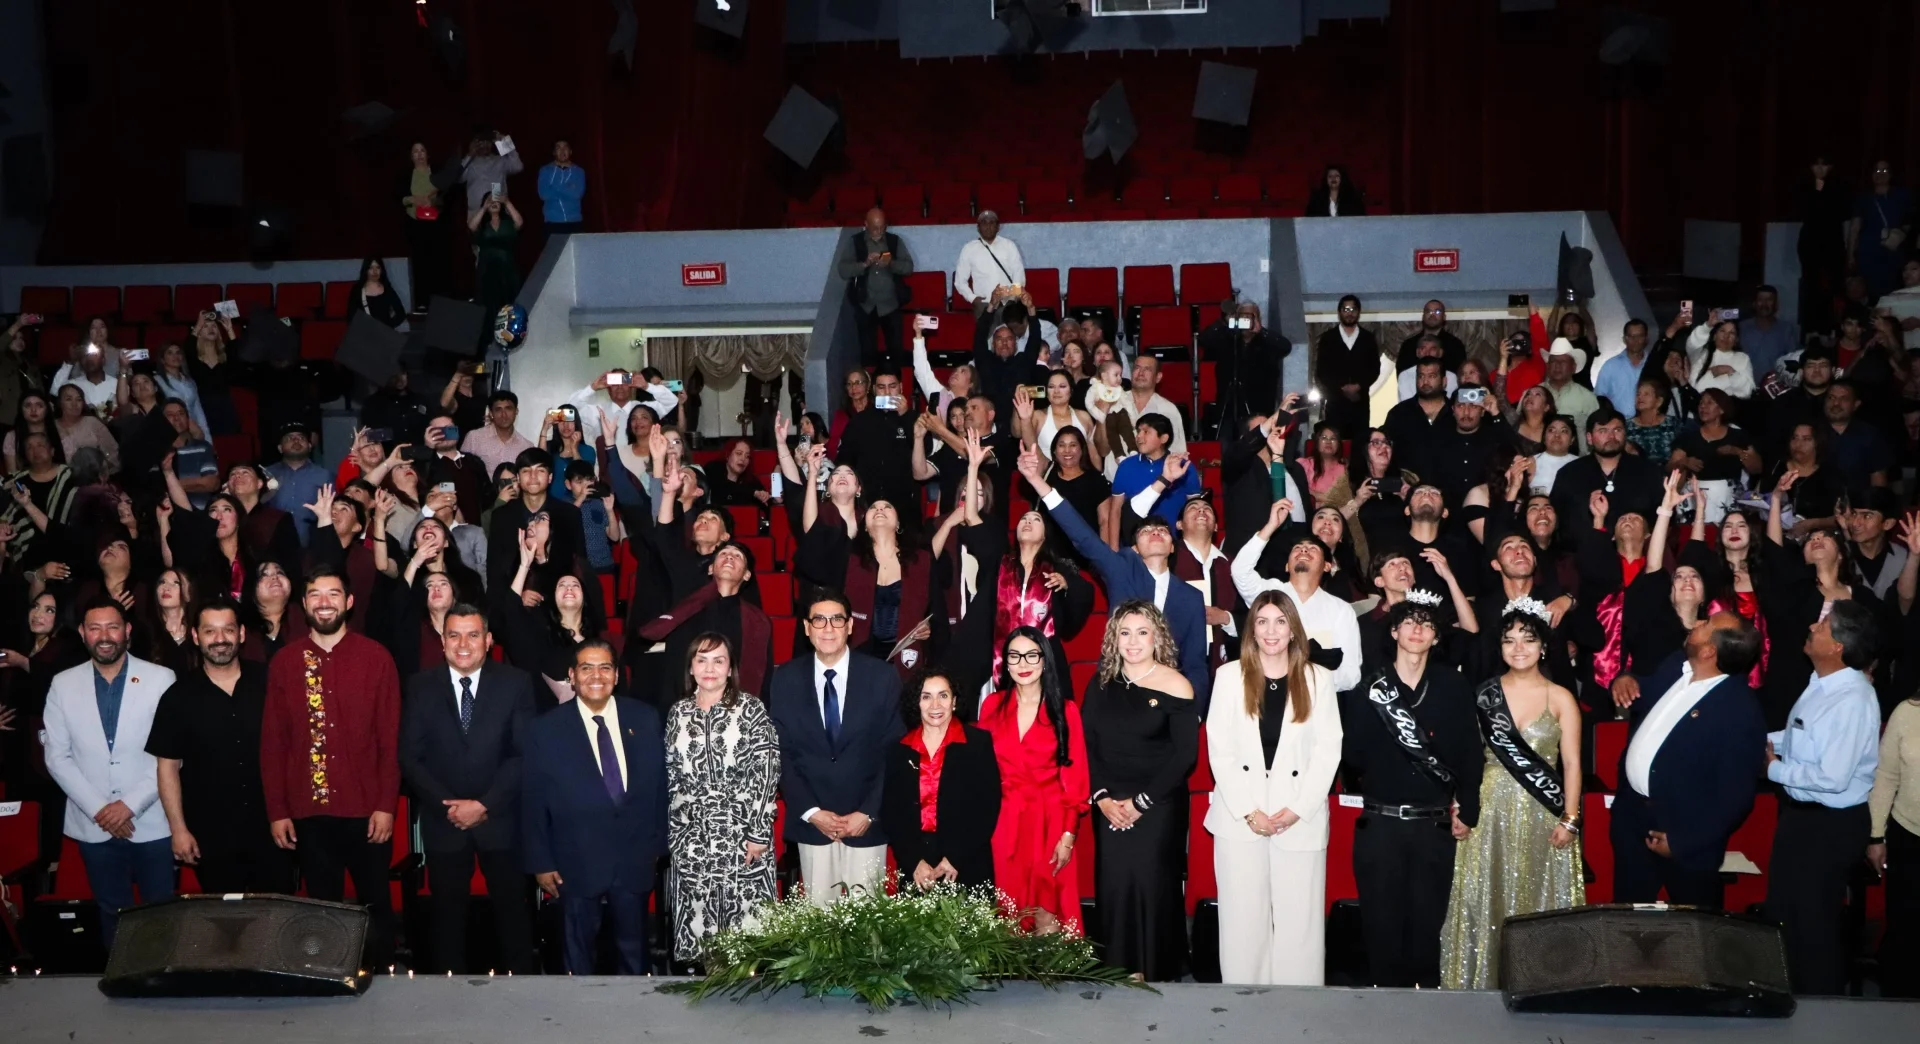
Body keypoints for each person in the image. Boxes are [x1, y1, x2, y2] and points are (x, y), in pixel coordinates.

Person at [1439, 602, 1585, 990]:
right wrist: (1460, 806)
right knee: (1484, 897)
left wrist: (1570, 818)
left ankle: (1542, 986)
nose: (1518, 647)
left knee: (1538, 897)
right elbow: (1467, 758)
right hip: (1489, 811)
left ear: (1543, 647)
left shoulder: (1561, 697)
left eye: (1528, 639)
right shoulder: (1483, 695)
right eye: (1509, 640)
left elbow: (1572, 764)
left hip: (1544, 813)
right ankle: (1481, 986)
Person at [1339, 598, 1484, 989]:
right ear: (1394, 631)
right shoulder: (1370, 686)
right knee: (1381, 927)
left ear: (1436, 637)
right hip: (1380, 824)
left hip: (1433, 827)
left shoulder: (1453, 686)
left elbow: (1470, 753)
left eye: (1426, 624)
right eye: (1408, 622)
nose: (1417, 629)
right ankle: (1384, 1011)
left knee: (1427, 928)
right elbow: (1352, 755)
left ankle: (1425, 1011)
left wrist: (1468, 805)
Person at [260, 567, 402, 963]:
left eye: (333, 594)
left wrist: (386, 805)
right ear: (304, 604)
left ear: (349, 601)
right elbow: (274, 744)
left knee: (375, 906)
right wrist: (277, 811)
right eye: (315, 595)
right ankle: (327, 980)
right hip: (310, 812)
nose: (325, 603)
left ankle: (384, 979)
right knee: (321, 912)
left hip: (367, 810)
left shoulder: (376, 658)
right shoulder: (286, 662)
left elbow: (390, 740)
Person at [1205, 591, 1343, 986]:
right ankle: (1243, 1006)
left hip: (1299, 817)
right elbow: (1220, 750)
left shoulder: (1319, 679)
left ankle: (1298, 1009)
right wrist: (1250, 811)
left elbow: (1328, 750)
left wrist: (1298, 808)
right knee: (1242, 923)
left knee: (1300, 924)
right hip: (1241, 818)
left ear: (1293, 630)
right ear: (1251, 630)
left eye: (1280, 621)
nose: (1271, 631)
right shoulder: (1229, 677)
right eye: (1262, 621)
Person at [399, 603, 537, 974]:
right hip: (445, 823)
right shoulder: (420, 686)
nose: (463, 644)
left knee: (513, 918)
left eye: (473, 635)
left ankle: (525, 995)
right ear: (442, 641)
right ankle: (449, 999)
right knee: (447, 923)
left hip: (501, 820)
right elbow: (410, 758)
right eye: (454, 635)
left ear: (488, 640)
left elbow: (523, 754)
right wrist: (450, 807)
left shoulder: (516, 683)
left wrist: (484, 805)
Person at [521, 639, 667, 975]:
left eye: (605, 667)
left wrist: (657, 846)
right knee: (577, 959)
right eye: (586, 668)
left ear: (616, 675)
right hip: (574, 861)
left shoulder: (645, 718)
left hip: (633, 859)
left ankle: (635, 1009)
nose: (596, 676)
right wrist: (541, 862)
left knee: (635, 957)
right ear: (572, 676)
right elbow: (533, 800)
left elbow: (660, 788)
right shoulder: (545, 729)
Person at [1021, 447, 1210, 702]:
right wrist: (1036, 481)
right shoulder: (1120, 570)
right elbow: (1081, 535)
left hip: (1169, 698)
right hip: (1117, 692)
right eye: (1145, 532)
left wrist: (1194, 711)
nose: (1155, 532)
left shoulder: (1191, 597)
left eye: (1163, 531)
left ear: (1173, 547)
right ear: (1135, 548)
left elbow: (1196, 664)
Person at [40, 598, 177, 948]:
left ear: (127, 630)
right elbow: (57, 757)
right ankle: (120, 977)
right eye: (95, 628)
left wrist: (128, 805)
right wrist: (101, 810)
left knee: (161, 914)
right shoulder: (62, 684)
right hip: (94, 824)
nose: (104, 636)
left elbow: (172, 755)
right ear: (82, 633)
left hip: (151, 820)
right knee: (111, 913)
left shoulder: (161, 679)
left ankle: (162, 977)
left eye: (112, 627)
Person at [1608, 612, 1766, 908]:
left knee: (1695, 928)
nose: (1698, 623)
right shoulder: (1676, 667)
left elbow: (1736, 797)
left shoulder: (1740, 711)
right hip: (1633, 820)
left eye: (1707, 625)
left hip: (1683, 839)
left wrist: (1684, 841)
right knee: (1627, 920)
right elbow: (1641, 691)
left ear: (1709, 652)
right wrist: (1624, 680)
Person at [1765, 602, 1883, 995]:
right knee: (1787, 915)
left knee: (1813, 925)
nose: (1813, 627)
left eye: (1823, 625)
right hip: (1802, 818)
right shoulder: (1821, 684)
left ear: (1837, 646)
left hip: (1829, 827)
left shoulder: (1852, 700)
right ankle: (1791, 1000)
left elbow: (1832, 777)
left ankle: (1822, 1009)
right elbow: (1802, 739)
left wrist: (1773, 769)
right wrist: (1761, 741)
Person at [1080, 601, 1197, 982]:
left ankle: (1156, 970)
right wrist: (1101, 798)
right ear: (1113, 639)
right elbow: (1087, 746)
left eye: (1142, 632)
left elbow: (1185, 756)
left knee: (1152, 884)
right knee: (1114, 885)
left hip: (1158, 804)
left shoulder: (1176, 684)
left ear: (1157, 637)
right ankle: (1118, 970)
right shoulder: (1100, 685)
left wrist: (1142, 802)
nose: (1133, 641)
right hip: (1109, 803)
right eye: (1125, 633)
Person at [146, 596, 293, 895]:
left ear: (241, 633)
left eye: (228, 630)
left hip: (274, 828)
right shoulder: (177, 697)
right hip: (211, 836)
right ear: (195, 636)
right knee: (225, 920)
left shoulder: (271, 682)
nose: (220, 639)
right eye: (210, 631)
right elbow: (167, 768)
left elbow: (295, 750)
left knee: (277, 915)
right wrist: (178, 830)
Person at [767, 590, 904, 903]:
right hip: (814, 824)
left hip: (866, 822)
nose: (828, 628)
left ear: (850, 626)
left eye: (837, 620)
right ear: (806, 628)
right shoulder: (785, 679)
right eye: (819, 620)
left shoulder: (882, 676)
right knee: (819, 921)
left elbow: (894, 751)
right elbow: (781, 752)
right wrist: (812, 812)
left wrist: (868, 811)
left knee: (867, 923)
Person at [663, 632, 780, 963]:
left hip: (742, 834)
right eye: (701, 660)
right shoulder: (678, 712)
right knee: (701, 931)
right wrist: (676, 833)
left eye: (719, 661)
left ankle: (749, 991)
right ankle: (709, 985)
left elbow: (767, 772)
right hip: (693, 837)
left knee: (748, 931)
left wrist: (759, 832)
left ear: (730, 669)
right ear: (691, 667)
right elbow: (671, 776)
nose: (710, 668)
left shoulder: (751, 709)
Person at [976, 628, 1088, 926]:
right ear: (1005, 662)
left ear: (1044, 660)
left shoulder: (1066, 711)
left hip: (1049, 822)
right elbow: (980, 771)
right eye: (1014, 656)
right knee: (1006, 911)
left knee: (1047, 914)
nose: (1023, 663)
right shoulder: (991, 706)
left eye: (1031, 655)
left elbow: (1076, 778)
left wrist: (1068, 835)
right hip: (1003, 821)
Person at [883, 668, 1001, 890]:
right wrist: (913, 861)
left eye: (943, 695)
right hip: (916, 867)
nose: (935, 705)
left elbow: (987, 808)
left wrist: (955, 858)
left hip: (966, 862)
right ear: (917, 703)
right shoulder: (899, 750)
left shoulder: (978, 744)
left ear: (954, 701)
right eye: (926, 697)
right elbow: (892, 812)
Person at [1230, 501, 1365, 694]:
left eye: (1313, 549)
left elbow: (1350, 675)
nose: (1304, 550)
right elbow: (1240, 571)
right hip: (1267, 693)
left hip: (1319, 699)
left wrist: (1307, 676)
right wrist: (1270, 527)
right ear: (1287, 566)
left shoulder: (1341, 610)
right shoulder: (1270, 594)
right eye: (1298, 548)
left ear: (1327, 566)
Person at [1868, 685, 1920, 997]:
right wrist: (1876, 834)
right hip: (1909, 836)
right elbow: (1886, 776)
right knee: (1906, 930)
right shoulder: (1907, 712)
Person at [837, 208, 915, 371]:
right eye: (875, 228)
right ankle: (870, 384)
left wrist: (891, 263)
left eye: (882, 227)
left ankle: (897, 384)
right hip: (865, 306)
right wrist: (864, 264)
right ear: (866, 224)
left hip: (891, 305)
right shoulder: (855, 242)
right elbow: (843, 270)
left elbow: (908, 267)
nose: (879, 231)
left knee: (897, 353)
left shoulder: (894, 241)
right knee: (867, 355)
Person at [1204, 299, 1292, 423]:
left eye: (1250, 317)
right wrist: (1223, 322)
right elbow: (1204, 340)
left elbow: (1285, 347)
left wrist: (1262, 331)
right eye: (1243, 317)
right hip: (1228, 408)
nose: (1246, 321)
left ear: (1258, 319)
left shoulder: (1267, 342)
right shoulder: (1227, 340)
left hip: (1259, 410)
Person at [1850, 158, 1914, 300]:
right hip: (1869, 253)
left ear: (1891, 174)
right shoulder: (1864, 198)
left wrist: (1900, 234)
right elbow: (1855, 227)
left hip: (1894, 252)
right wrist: (1850, 255)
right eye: (1877, 170)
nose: (1881, 173)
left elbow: (1910, 220)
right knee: (1871, 294)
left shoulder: (1902, 196)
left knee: (1894, 292)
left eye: (1885, 170)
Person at [401, 141, 452, 307]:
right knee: (420, 264)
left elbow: (447, 197)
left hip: (436, 225)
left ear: (428, 154)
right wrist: (412, 199)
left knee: (438, 263)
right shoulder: (406, 175)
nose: (419, 154)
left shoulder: (436, 172)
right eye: (415, 151)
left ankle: (441, 302)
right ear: (411, 156)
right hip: (416, 225)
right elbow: (398, 198)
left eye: (422, 150)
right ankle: (422, 303)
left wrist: (434, 201)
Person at [953, 211, 1025, 317]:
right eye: (984, 223)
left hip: (1008, 304)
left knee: (1010, 329)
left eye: (991, 223)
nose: (988, 226)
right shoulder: (969, 249)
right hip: (983, 305)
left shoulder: (1009, 246)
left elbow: (1018, 275)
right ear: (978, 228)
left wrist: (1013, 297)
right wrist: (972, 298)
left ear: (998, 227)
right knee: (984, 329)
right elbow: (960, 281)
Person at [468, 192, 524, 323]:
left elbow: (519, 222)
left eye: (496, 201)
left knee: (508, 304)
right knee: (488, 305)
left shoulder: (508, 223)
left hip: (507, 270)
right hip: (487, 271)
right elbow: (471, 226)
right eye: (490, 201)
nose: (493, 203)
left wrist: (507, 202)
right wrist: (484, 207)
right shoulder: (482, 225)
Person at [462, 391, 537, 478]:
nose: (503, 415)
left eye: (508, 409)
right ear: (491, 413)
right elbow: (461, 469)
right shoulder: (474, 438)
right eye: (498, 410)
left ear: (516, 411)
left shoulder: (526, 446)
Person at [1593, 319, 1654, 414]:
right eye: (1631, 336)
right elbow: (1599, 398)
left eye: (1640, 336)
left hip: (1649, 421)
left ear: (1646, 338)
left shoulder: (1654, 364)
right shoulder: (1611, 366)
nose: (1635, 340)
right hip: (1619, 421)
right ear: (1624, 339)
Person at [537, 139, 587, 236]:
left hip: (575, 222)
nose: (562, 150)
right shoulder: (545, 170)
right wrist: (568, 186)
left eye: (565, 147)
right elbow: (544, 194)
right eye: (558, 148)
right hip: (552, 223)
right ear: (554, 152)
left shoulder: (579, 171)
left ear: (570, 151)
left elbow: (577, 194)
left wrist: (553, 187)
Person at [349, 257, 407, 328]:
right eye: (371, 268)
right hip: (365, 332)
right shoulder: (357, 290)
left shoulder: (387, 289)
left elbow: (401, 314)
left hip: (384, 333)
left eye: (378, 267)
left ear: (382, 270)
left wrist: (388, 326)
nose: (375, 271)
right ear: (366, 270)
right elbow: (351, 317)